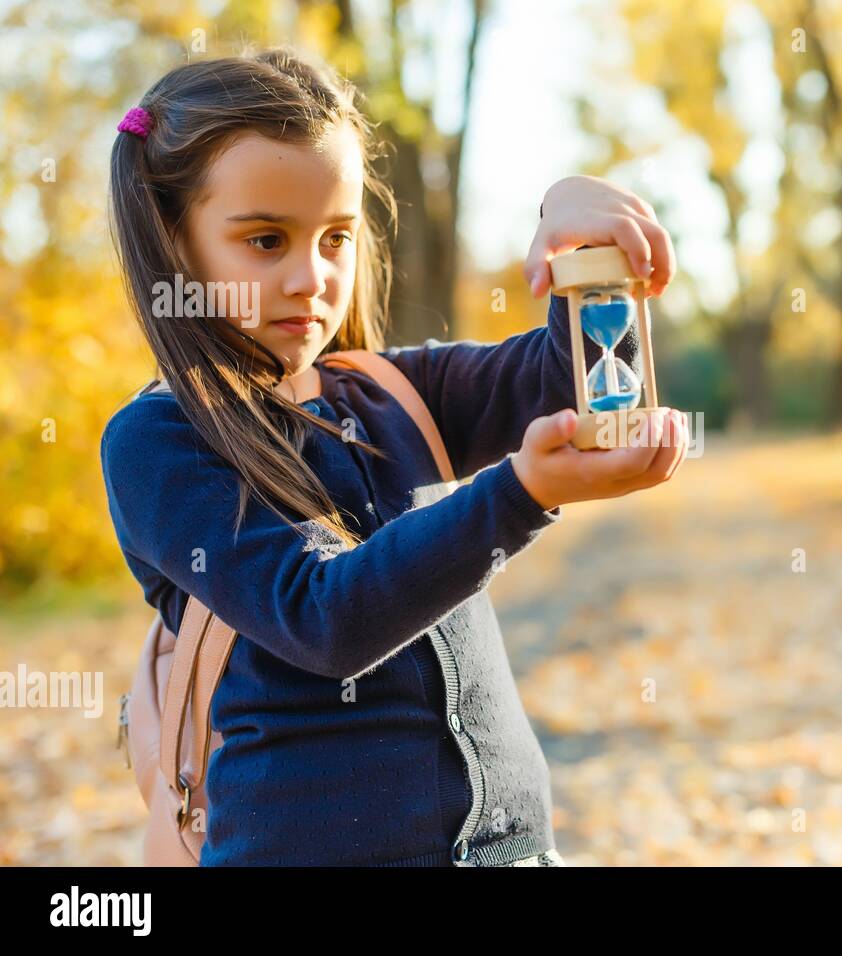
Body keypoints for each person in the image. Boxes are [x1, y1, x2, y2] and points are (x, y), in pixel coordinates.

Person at [100, 47, 687, 866]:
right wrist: (517, 497)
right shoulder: (159, 442)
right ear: (172, 241)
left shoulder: (389, 389)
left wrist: (580, 227)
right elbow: (325, 616)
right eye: (266, 240)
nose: (312, 277)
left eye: (336, 237)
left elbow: (563, 382)